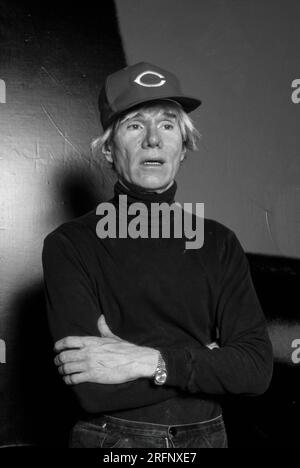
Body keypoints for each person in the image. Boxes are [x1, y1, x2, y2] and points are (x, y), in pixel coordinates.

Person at [42, 62, 273, 448]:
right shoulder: (70, 244)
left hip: (208, 437)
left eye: (167, 125)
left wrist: (148, 362)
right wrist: (206, 360)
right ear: (109, 151)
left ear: (183, 147)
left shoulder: (218, 242)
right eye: (134, 125)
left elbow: (254, 370)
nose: (153, 139)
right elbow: (94, 389)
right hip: (114, 442)